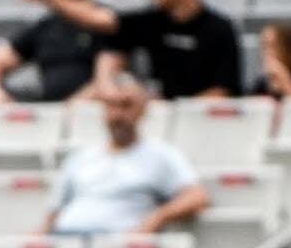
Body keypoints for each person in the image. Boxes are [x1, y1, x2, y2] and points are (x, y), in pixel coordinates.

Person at [12, 0, 240, 99]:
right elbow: (99, 21)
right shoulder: (152, 21)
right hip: (158, 115)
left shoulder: (219, 28)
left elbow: (222, 89)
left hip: (199, 117)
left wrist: (177, 112)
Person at [43, 75, 209, 235]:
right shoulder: (80, 157)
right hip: (65, 236)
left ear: (143, 109)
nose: (117, 115)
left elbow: (197, 197)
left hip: (117, 247)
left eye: (126, 105)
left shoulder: (162, 155)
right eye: (111, 105)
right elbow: (53, 214)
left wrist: (155, 219)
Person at [250, 23, 291, 99]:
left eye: (273, 45)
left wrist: (283, 77)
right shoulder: (262, 82)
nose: (267, 52)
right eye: (264, 46)